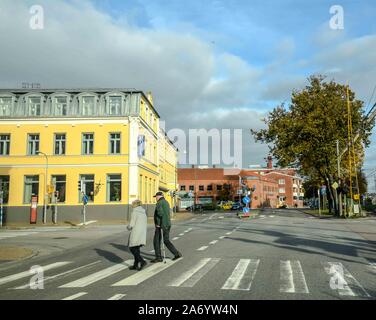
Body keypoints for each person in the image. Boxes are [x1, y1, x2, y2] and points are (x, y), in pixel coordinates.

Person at [151, 192, 182, 263]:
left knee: (156, 241)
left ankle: (158, 257)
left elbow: (160, 214)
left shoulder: (159, 203)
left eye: (156, 196)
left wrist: (158, 223)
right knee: (166, 240)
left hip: (161, 225)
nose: (155, 198)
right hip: (167, 224)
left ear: (159, 196)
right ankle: (176, 254)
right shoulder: (166, 202)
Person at [127, 200, 147, 271]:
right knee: (137, 249)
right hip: (142, 232)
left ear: (135, 205)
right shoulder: (143, 212)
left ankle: (142, 261)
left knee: (132, 248)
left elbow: (132, 224)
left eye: (132, 204)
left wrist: (128, 227)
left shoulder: (134, 212)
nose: (131, 205)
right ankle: (135, 265)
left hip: (136, 232)